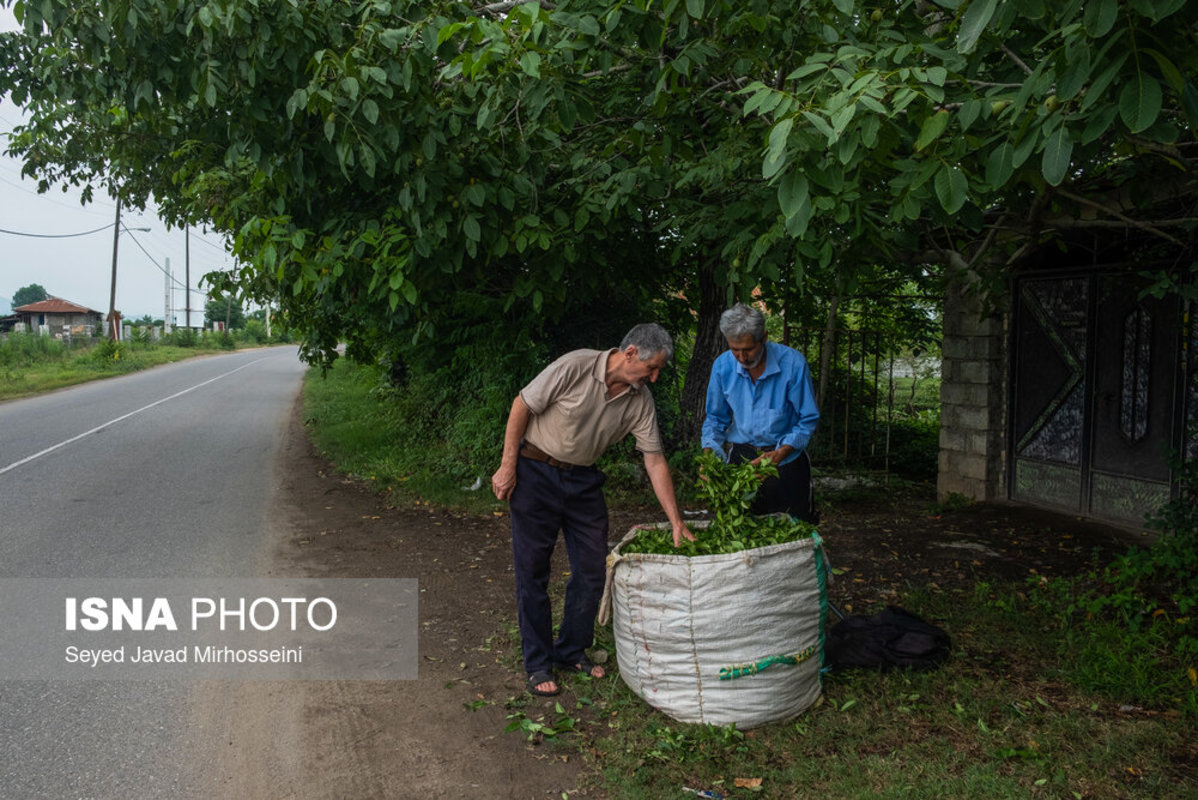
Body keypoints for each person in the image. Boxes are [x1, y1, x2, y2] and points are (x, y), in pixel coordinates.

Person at [491, 323, 694, 697]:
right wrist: (507, 466)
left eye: (659, 370)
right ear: (631, 352)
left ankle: (570, 650)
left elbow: (654, 460)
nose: (655, 376)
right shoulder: (576, 366)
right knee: (532, 570)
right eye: (653, 368)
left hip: (583, 482)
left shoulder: (640, 400)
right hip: (535, 471)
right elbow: (522, 404)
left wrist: (676, 521)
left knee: (591, 570)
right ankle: (538, 663)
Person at [701, 304, 820, 522]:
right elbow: (716, 419)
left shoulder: (793, 364)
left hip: (786, 462)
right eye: (734, 349)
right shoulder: (722, 367)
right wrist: (709, 454)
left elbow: (807, 420)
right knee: (738, 527)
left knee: (794, 530)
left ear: (763, 337)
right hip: (742, 461)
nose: (742, 357)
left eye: (748, 349)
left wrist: (781, 453)